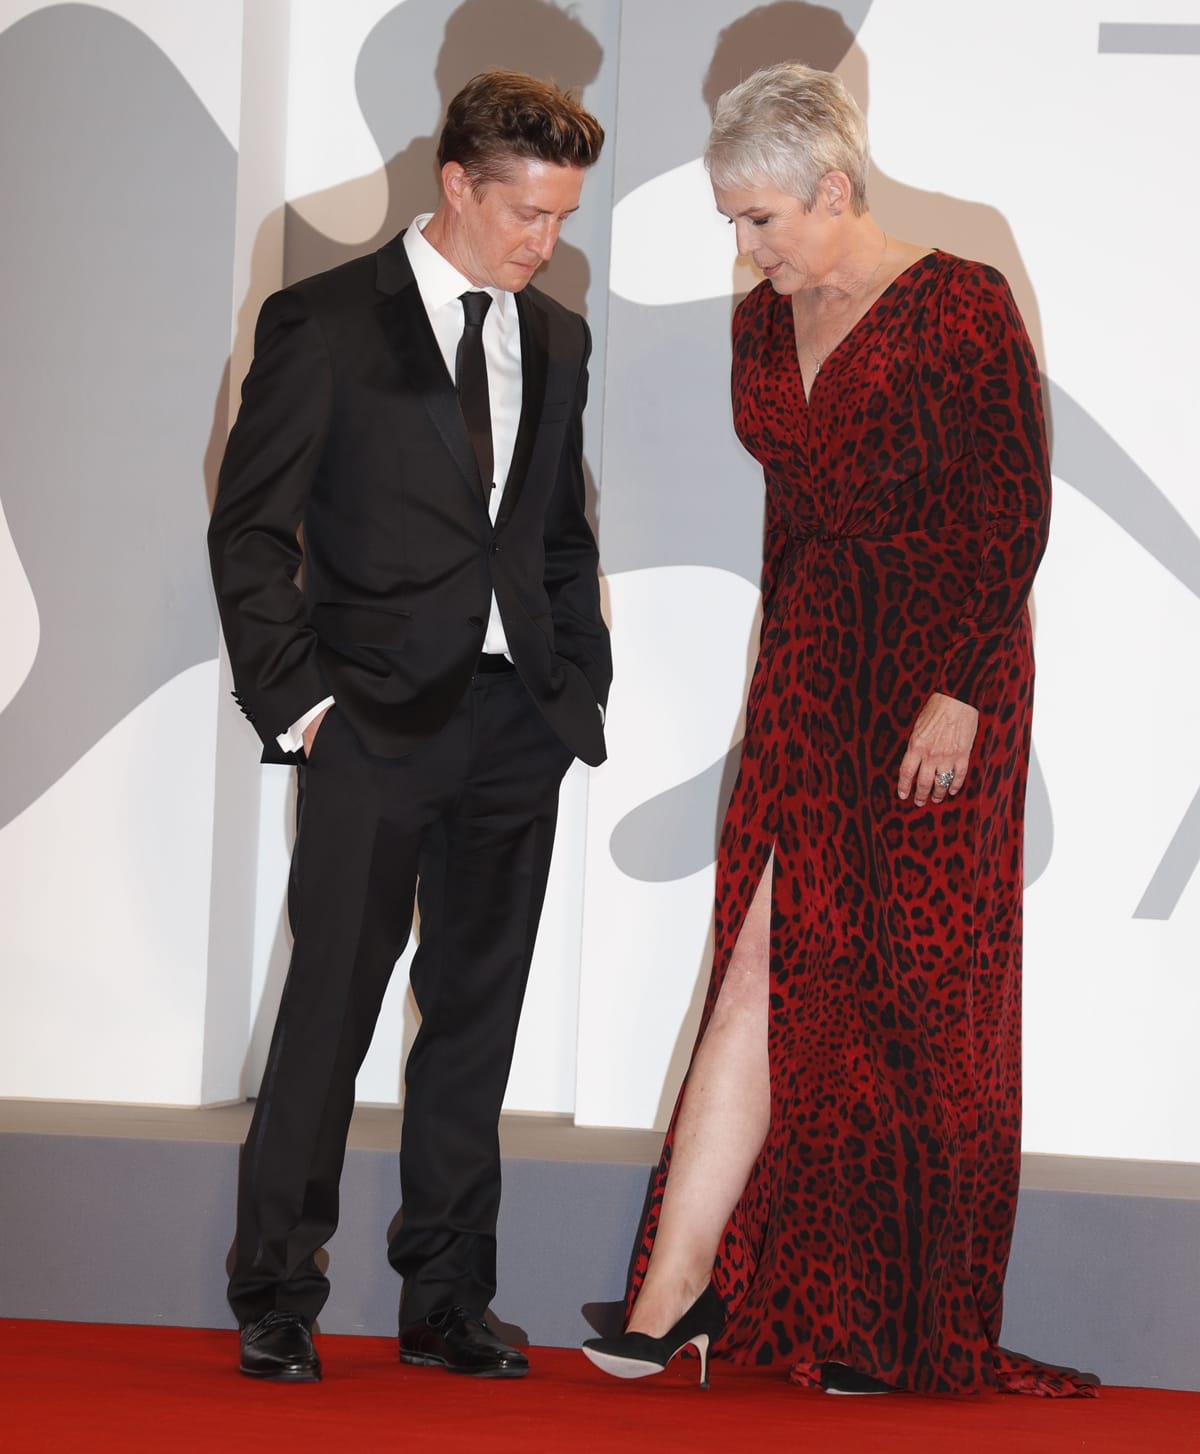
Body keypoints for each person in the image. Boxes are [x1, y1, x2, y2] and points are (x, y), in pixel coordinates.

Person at [583, 63, 1093, 1398]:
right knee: (762, 962)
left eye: (761, 220)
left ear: (833, 188)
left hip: (942, 674)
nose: (744, 251)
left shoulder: (961, 299)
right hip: (812, 668)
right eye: (732, 222)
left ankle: (883, 1319)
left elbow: (1013, 510)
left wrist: (965, 688)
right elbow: (791, 520)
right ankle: (674, 1289)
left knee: (906, 995)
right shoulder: (764, 321)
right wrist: (769, 683)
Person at [209, 70, 610, 1384]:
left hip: (517, 731)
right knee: (329, 1011)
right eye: (527, 213)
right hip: (371, 725)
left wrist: (575, 690)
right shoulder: (322, 322)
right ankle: (278, 1290)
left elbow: (558, 536)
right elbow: (253, 531)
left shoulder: (556, 339)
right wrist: (303, 703)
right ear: (457, 185)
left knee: (475, 1020)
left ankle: (447, 1295)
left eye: (560, 217)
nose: (544, 241)